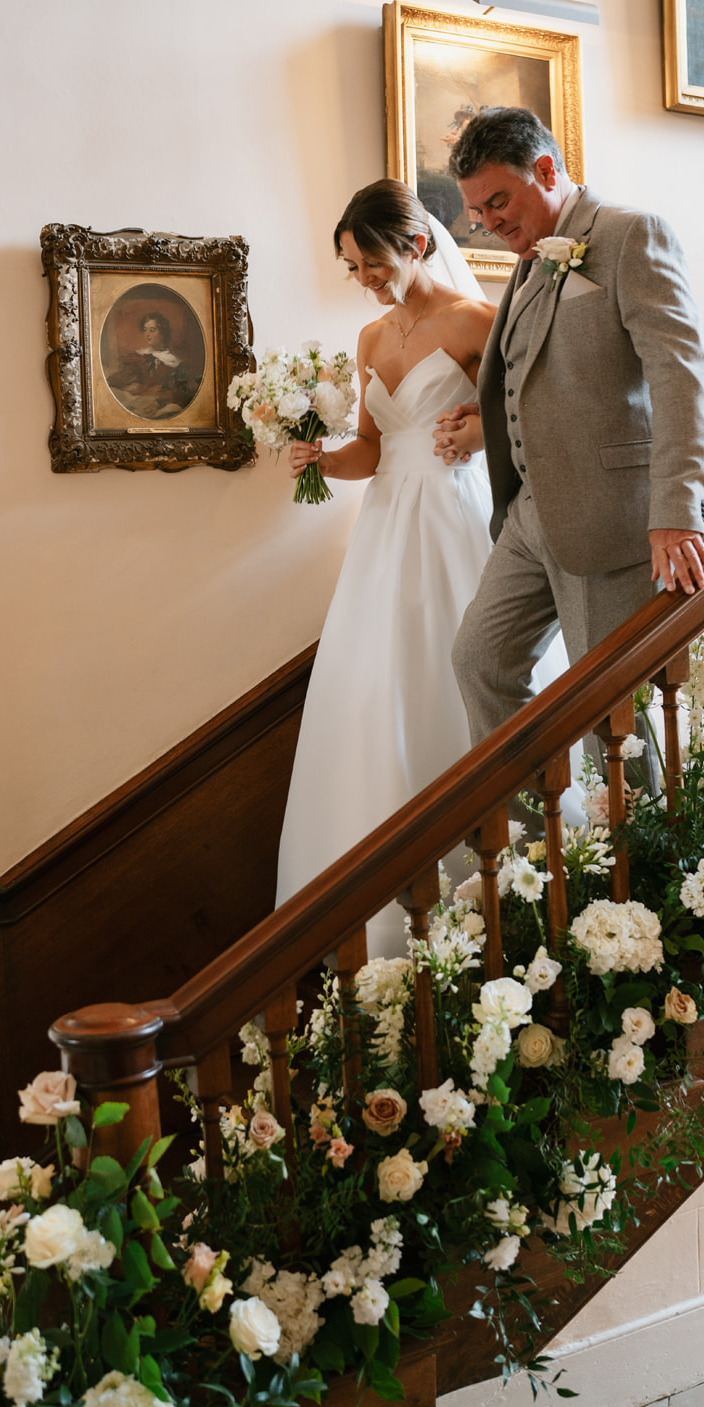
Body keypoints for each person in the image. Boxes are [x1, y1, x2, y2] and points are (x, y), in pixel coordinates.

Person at [437, 106, 704, 748]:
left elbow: (682, 373)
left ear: (545, 170)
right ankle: (538, 845)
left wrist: (677, 507)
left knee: (615, 714)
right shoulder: (529, 257)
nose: (489, 222)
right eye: (478, 211)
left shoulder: (630, 235)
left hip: (612, 516)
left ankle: (634, 848)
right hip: (527, 517)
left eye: (499, 201)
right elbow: (541, 375)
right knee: (479, 662)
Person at [274, 180, 502, 960]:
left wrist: (479, 434)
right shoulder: (371, 341)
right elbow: (373, 450)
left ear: (414, 243)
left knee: (457, 666)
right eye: (352, 269)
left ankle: (484, 881)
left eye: (370, 262)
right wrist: (319, 458)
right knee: (380, 685)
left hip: (454, 517)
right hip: (386, 532)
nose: (365, 281)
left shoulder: (479, 322)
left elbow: (528, 420)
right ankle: (381, 906)